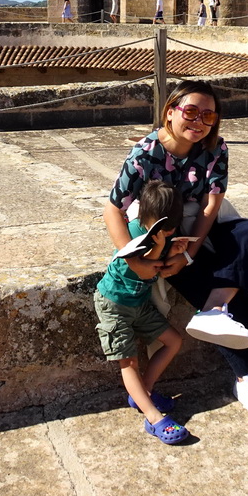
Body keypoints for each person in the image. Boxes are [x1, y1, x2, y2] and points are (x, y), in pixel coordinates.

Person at [104, 79, 248, 421]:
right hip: (165, 231)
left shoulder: (217, 148)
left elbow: (210, 205)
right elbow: (113, 208)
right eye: (190, 111)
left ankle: (213, 310)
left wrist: (191, 249)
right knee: (210, 274)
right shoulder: (145, 153)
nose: (199, 121)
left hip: (201, 227)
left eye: (208, 115)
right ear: (170, 112)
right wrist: (133, 257)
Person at [95, 180, 191, 444]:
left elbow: (159, 264)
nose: (168, 231)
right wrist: (161, 247)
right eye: (163, 227)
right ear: (146, 218)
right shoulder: (135, 233)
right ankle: (154, 418)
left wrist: (174, 248)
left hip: (139, 304)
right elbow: (145, 269)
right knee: (128, 361)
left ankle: (144, 393)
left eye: (171, 226)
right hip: (114, 304)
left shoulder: (163, 234)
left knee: (174, 341)